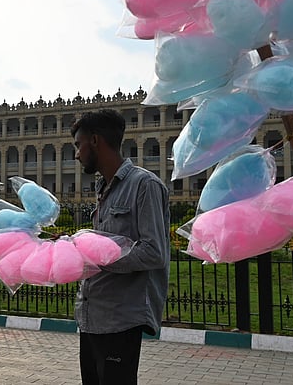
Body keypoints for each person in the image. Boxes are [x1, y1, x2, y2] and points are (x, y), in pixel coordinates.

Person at [70, 109, 170, 385]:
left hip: (120, 320)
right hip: (92, 317)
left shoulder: (144, 185)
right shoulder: (104, 189)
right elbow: (105, 245)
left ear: (95, 140)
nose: (76, 154)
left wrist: (93, 255)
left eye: (78, 145)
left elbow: (153, 252)